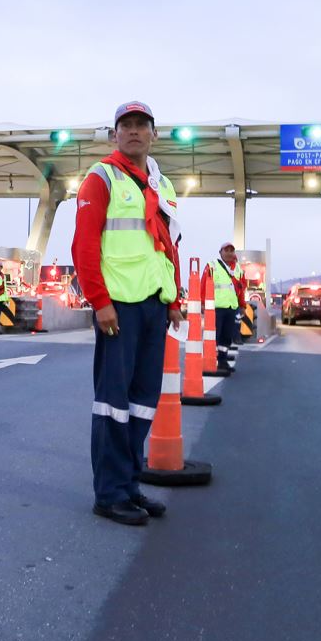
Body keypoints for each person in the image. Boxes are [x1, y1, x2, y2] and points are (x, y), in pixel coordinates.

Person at [72, 101, 186, 527]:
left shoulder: (162, 184)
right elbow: (83, 246)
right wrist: (100, 302)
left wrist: (173, 301)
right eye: (126, 126)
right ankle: (109, 494)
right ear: (114, 135)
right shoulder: (102, 178)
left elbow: (167, 245)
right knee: (112, 405)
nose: (134, 131)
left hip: (155, 306)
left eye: (142, 125)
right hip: (119, 307)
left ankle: (129, 485)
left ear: (153, 134)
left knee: (141, 403)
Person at [212, 243, 246, 373]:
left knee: (226, 337)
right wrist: (203, 303)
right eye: (226, 250)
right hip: (216, 307)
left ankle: (222, 361)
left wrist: (242, 305)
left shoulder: (238, 269)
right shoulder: (213, 266)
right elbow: (204, 284)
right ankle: (210, 360)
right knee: (214, 335)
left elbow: (241, 290)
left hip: (231, 308)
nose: (229, 253)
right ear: (220, 252)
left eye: (232, 250)